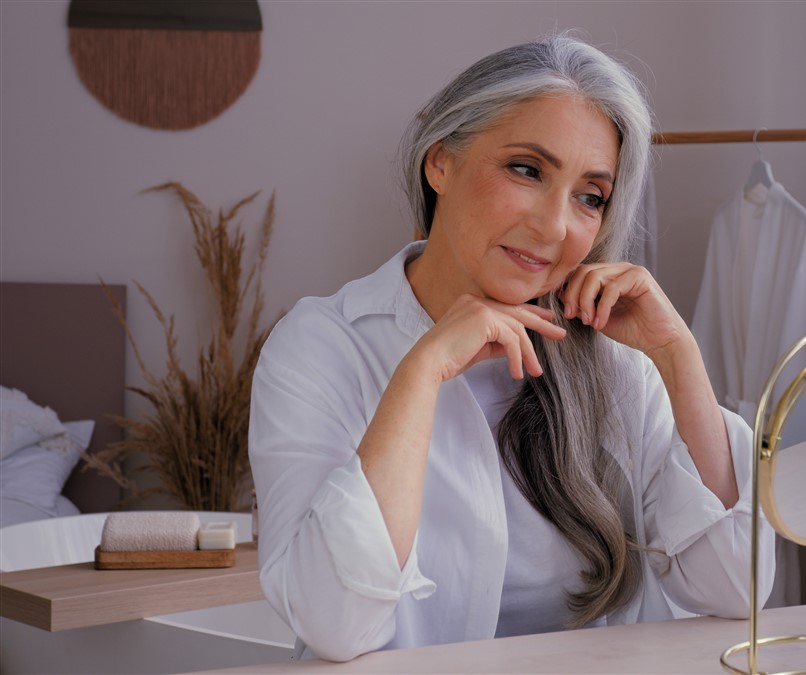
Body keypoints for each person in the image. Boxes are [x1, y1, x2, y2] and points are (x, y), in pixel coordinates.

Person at [248, 33, 774, 662]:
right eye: (527, 170)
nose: (555, 226)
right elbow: (334, 621)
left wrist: (677, 354)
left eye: (590, 197)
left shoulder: (615, 365)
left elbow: (734, 589)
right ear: (440, 161)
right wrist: (421, 374)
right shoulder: (321, 348)